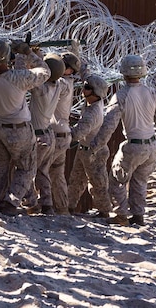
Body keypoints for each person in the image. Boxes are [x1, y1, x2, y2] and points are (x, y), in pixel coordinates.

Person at [98, 54, 156, 226]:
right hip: (152, 145)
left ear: (123, 73)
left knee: (117, 180)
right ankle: (138, 216)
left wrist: (97, 145)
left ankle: (121, 215)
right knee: (140, 182)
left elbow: (109, 124)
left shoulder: (121, 96)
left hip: (133, 146)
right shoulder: (152, 93)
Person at [0, 39, 50, 216]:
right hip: (18, 130)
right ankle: (12, 202)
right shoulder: (19, 78)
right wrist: (28, 53)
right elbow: (45, 72)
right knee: (26, 167)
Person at [66, 75, 112, 217]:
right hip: (85, 149)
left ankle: (104, 211)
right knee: (76, 181)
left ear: (95, 93)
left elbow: (78, 133)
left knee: (98, 183)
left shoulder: (92, 113)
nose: (83, 90)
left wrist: (63, 133)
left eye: (87, 88)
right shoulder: (91, 104)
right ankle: (69, 206)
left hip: (93, 151)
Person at [28, 53, 66, 214]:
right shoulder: (58, 84)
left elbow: (30, 77)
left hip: (38, 136)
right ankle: (47, 204)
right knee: (43, 172)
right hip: (49, 135)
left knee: (27, 170)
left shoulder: (42, 89)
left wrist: (29, 55)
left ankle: (31, 202)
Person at [46, 51, 80, 212]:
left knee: (39, 169)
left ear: (70, 70)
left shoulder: (62, 84)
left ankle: (40, 204)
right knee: (57, 174)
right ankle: (62, 208)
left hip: (57, 134)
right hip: (62, 134)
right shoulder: (67, 82)